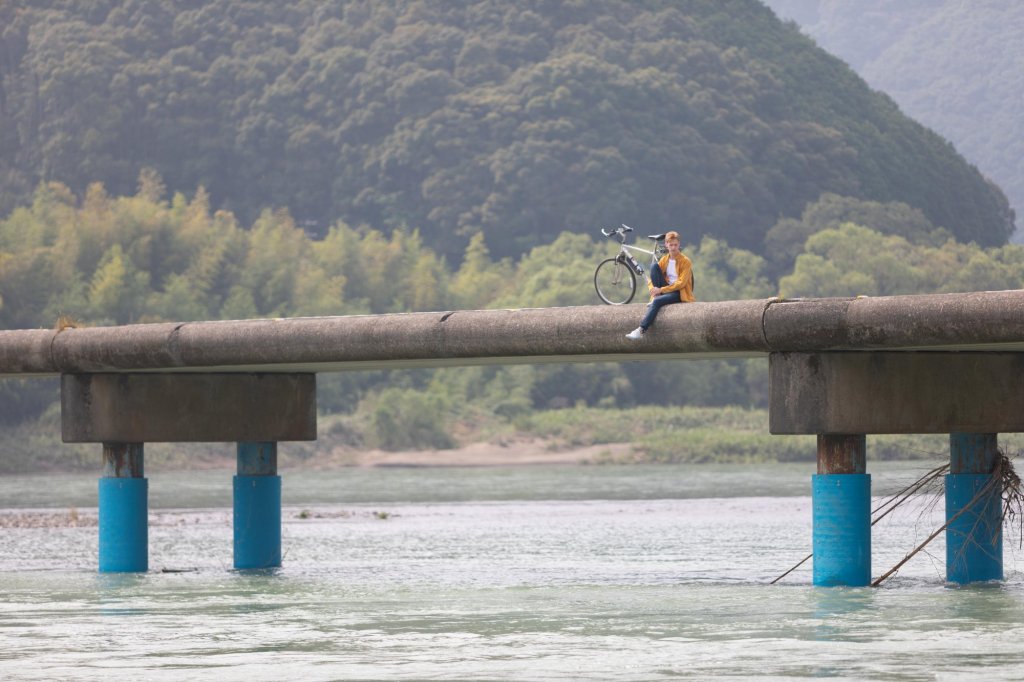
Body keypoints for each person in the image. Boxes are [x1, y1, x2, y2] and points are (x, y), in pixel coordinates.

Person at [626, 231, 694, 340]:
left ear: (679, 244)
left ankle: (641, 330)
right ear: (666, 244)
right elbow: (652, 279)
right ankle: (656, 297)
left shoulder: (686, 261)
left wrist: (661, 290)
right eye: (671, 245)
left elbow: (681, 284)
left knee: (657, 302)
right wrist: (653, 290)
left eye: (675, 245)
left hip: (679, 293)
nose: (673, 248)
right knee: (654, 266)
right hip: (666, 289)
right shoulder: (665, 259)